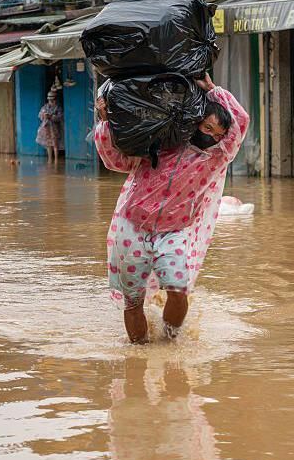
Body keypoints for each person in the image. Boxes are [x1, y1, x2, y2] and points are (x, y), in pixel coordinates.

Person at [94, 73, 249, 343]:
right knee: (133, 301)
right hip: (132, 227)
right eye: (207, 128)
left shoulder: (215, 160)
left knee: (178, 289)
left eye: (218, 134)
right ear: (195, 123)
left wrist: (213, 90)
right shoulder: (159, 145)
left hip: (173, 232)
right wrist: (106, 122)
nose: (212, 137)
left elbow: (241, 122)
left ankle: (170, 340)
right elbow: (114, 161)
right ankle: (139, 354)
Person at [36, 88, 63, 163]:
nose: (51, 101)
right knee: (48, 144)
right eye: (50, 99)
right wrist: (44, 116)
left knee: (55, 143)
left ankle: (56, 159)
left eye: (53, 99)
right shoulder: (45, 107)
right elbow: (40, 115)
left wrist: (51, 117)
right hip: (46, 128)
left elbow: (60, 117)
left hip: (54, 128)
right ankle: (50, 159)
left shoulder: (58, 107)